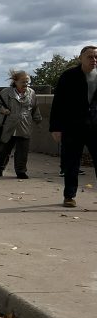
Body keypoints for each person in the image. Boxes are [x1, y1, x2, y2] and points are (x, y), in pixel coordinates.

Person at [49, 45, 97, 207]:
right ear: (80, 58)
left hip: (95, 126)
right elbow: (58, 103)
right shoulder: (69, 76)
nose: (94, 60)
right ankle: (69, 196)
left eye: (96, 57)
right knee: (71, 164)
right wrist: (55, 127)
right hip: (73, 127)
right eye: (90, 56)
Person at [0, 70, 42, 179]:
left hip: (24, 125)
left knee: (23, 151)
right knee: (4, 150)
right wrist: (3, 110)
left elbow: (35, 108)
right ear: (15, 82)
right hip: (8, 126)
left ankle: (21, 171)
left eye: (27, 82)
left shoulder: (31, 93)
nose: (26, 84)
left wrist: (38, 120)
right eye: (23, 82)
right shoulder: (6, 93)